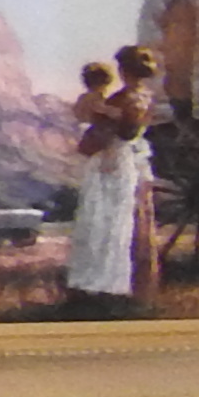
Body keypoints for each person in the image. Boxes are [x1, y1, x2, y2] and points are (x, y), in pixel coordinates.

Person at [61, 48, 151, 309]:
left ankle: (104, 283)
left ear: (126, 71)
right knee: (100, 220)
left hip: (113, 161)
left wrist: (111, 116)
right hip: (108, 159)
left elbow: (126, 132)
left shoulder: (129, 99)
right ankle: (94, 282)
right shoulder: (125, 97)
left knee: (107, 222)